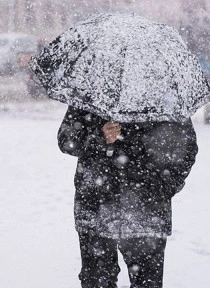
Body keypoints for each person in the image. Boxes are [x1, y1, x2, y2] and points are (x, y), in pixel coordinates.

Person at [57, 106, 198, 288]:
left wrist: (163, 188)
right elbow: (66, 140)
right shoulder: (91, 91)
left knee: (147, 283)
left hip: (147, 211)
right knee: (96, 281)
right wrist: (99, 137)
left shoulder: (164, 96)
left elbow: (186, 147)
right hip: (96, 207)